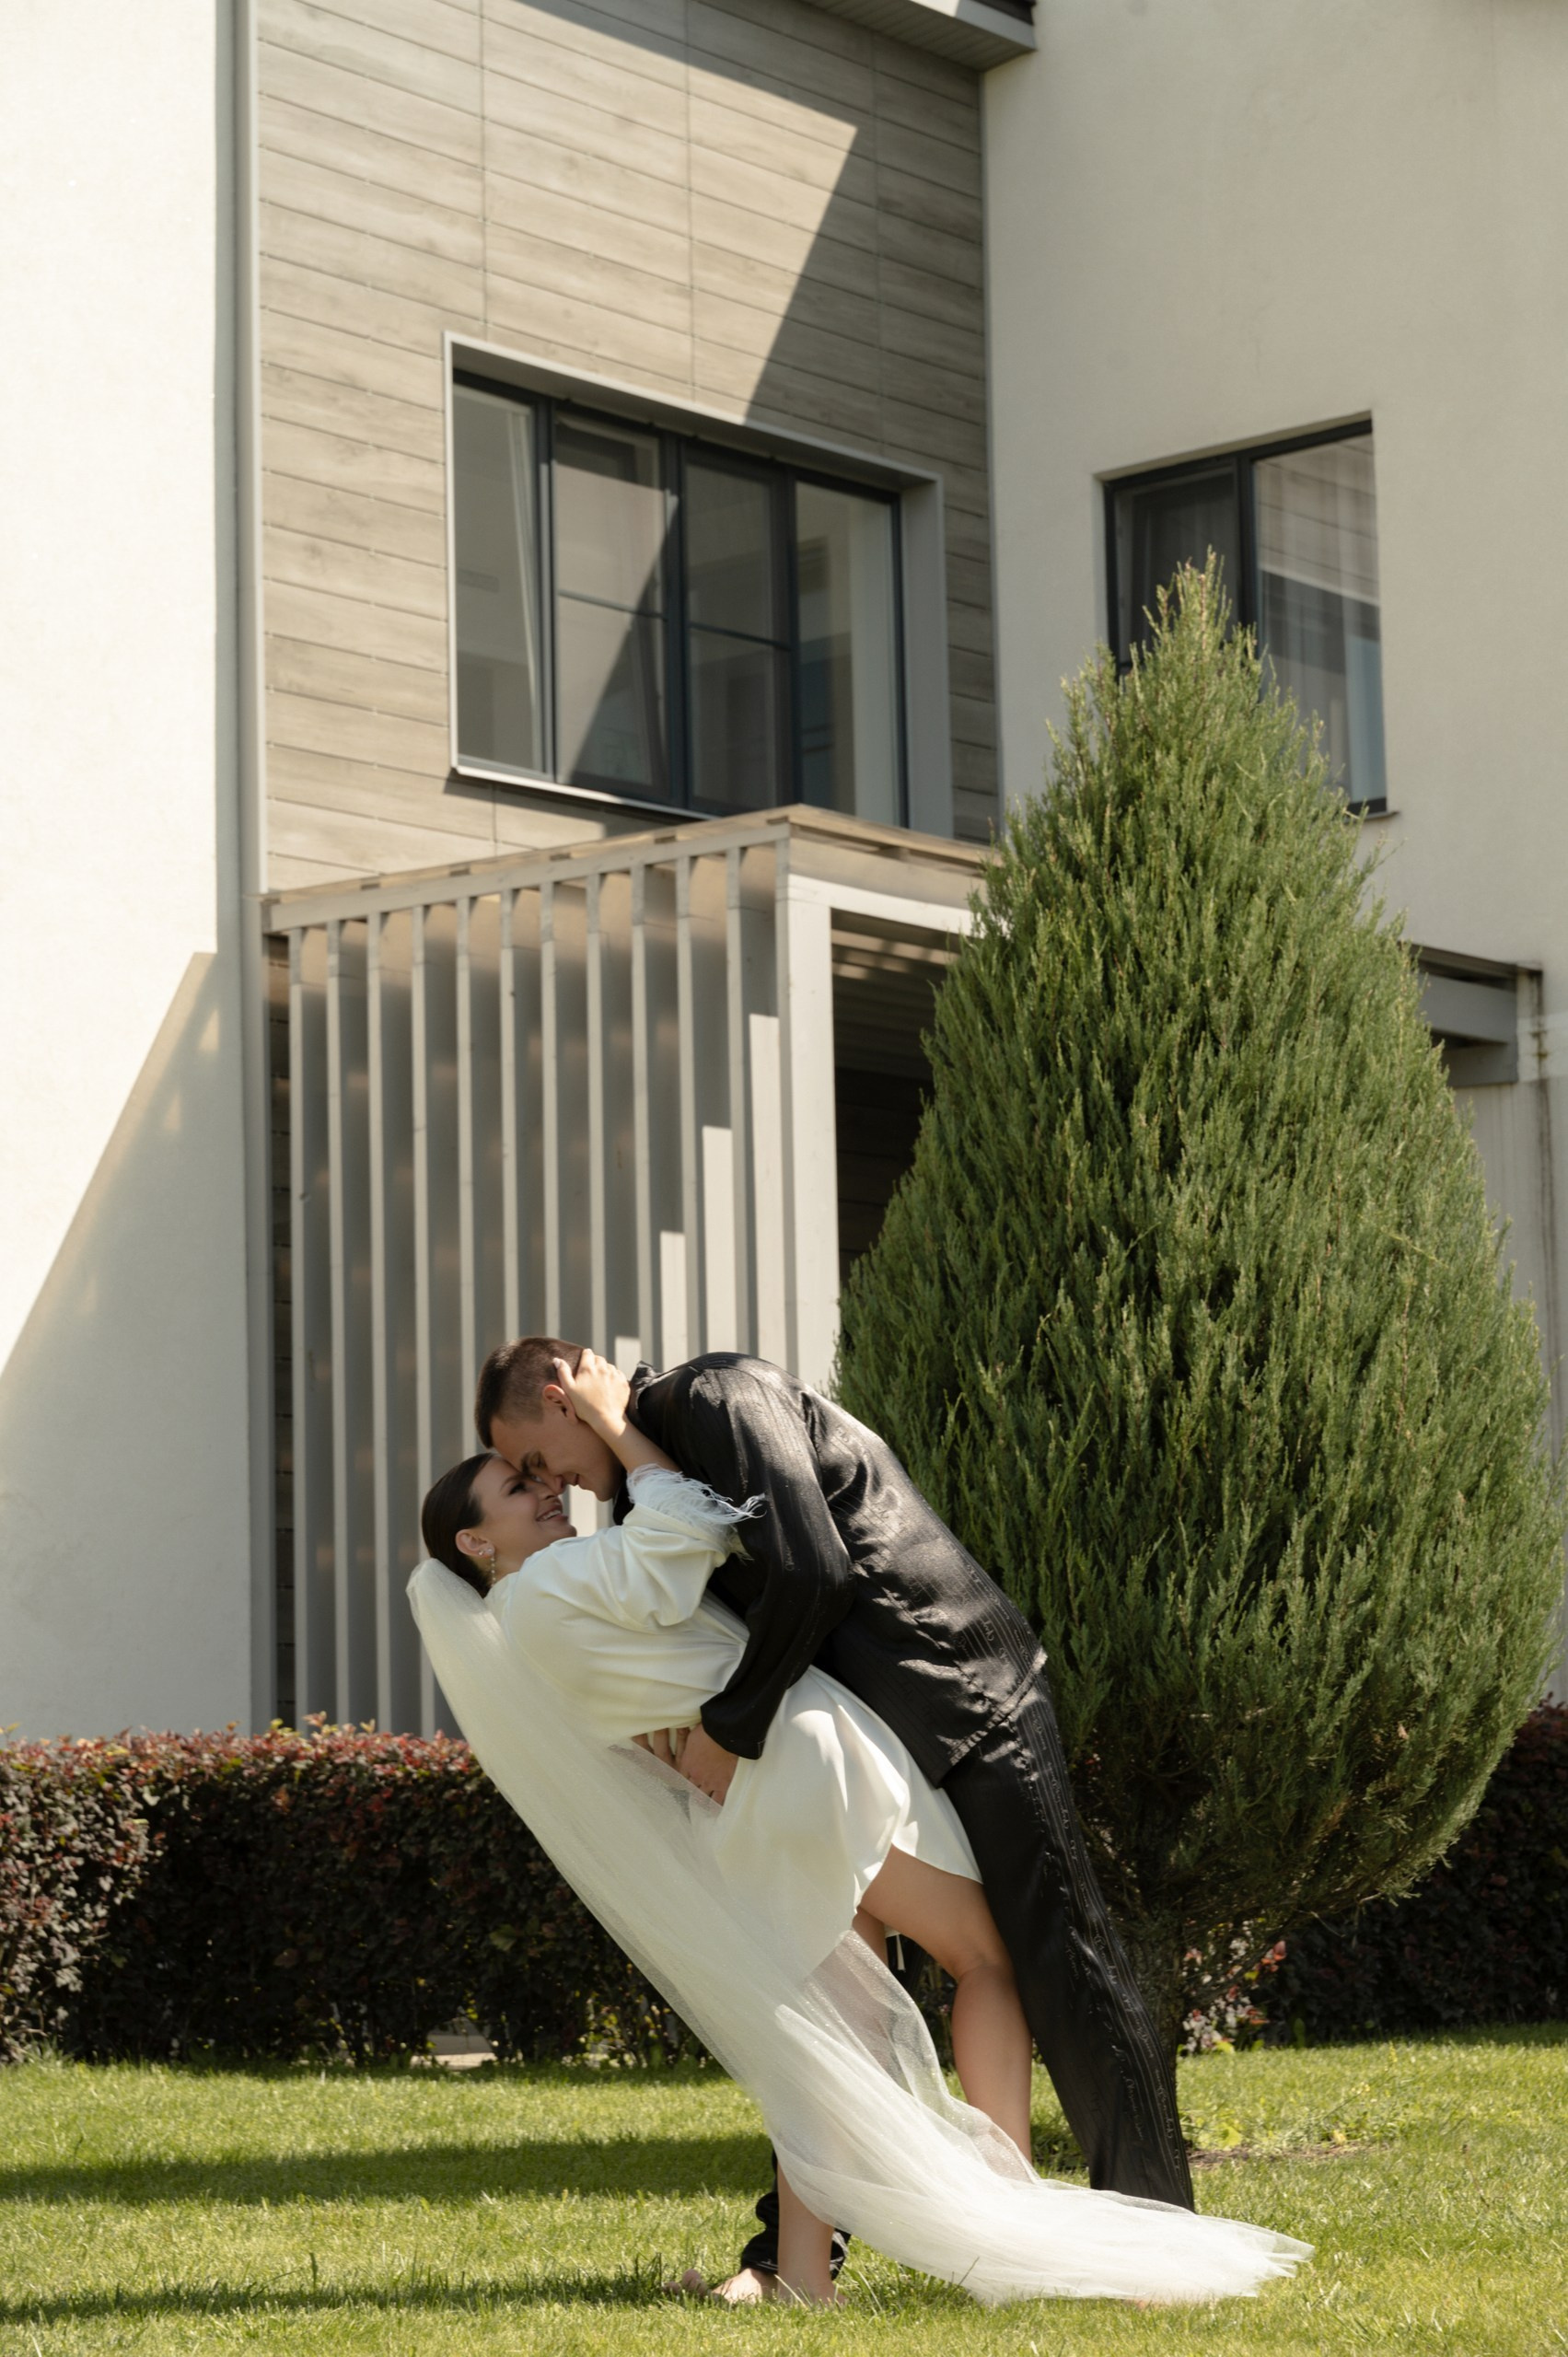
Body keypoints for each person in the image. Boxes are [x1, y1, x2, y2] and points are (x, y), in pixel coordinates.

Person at [411, 1350, 1307, 2307]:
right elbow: (696, 1538)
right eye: (522, 1483)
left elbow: (711, 1644)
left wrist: (701, 1728)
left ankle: (801, 2274)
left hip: (799, 1773)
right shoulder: (575, 1562)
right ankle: (1013, 2234)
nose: (550, 1486)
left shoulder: (573, 1575)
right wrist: (628, 1444)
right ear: (475, 1542)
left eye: (533, 1464)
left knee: (835, 2039)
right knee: (988, 1961)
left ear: (560, 1398)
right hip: (805, 1763)